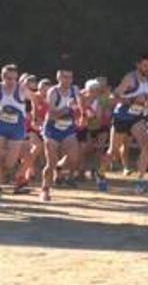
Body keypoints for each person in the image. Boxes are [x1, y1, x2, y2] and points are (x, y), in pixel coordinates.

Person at [0, 64, 36, 199]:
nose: (11, 81)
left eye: (13, 78)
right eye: (8, 78)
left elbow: (35, 99)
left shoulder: (21, 89)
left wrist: (34, 115)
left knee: (10, 163)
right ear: (2, 77)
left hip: (17, 127)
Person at [110, 54, 148, 193]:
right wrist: (132, 100)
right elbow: (113, 97)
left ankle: (140, 180)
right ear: (138, 65)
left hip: (137, 118)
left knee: (146, 146)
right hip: (122, 116)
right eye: (145, 66)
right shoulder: (130, 78)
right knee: (113, 151)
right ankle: (100, 172)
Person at [40, 69, 83, 202]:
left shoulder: (74, 90)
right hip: (52, 130)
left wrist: (81, 115)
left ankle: (60, 167)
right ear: (58, 78)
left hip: (68, 129)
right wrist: (67, 109)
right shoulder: (53, 92)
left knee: (74, 158)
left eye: (70, 77)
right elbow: (52, 114)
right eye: (65, 77)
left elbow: (80, 106)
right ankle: (45, 190)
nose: (68, 80)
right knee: (50, 163)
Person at [18, 77, 49, 190]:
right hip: (31, 128)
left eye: (47, 90)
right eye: (42, 89)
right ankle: (22, 174)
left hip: (46, 129)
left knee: (44, 153)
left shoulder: (51, 99)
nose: (44, 92)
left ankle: (29, 175)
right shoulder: (33, 97)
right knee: (36, 147)